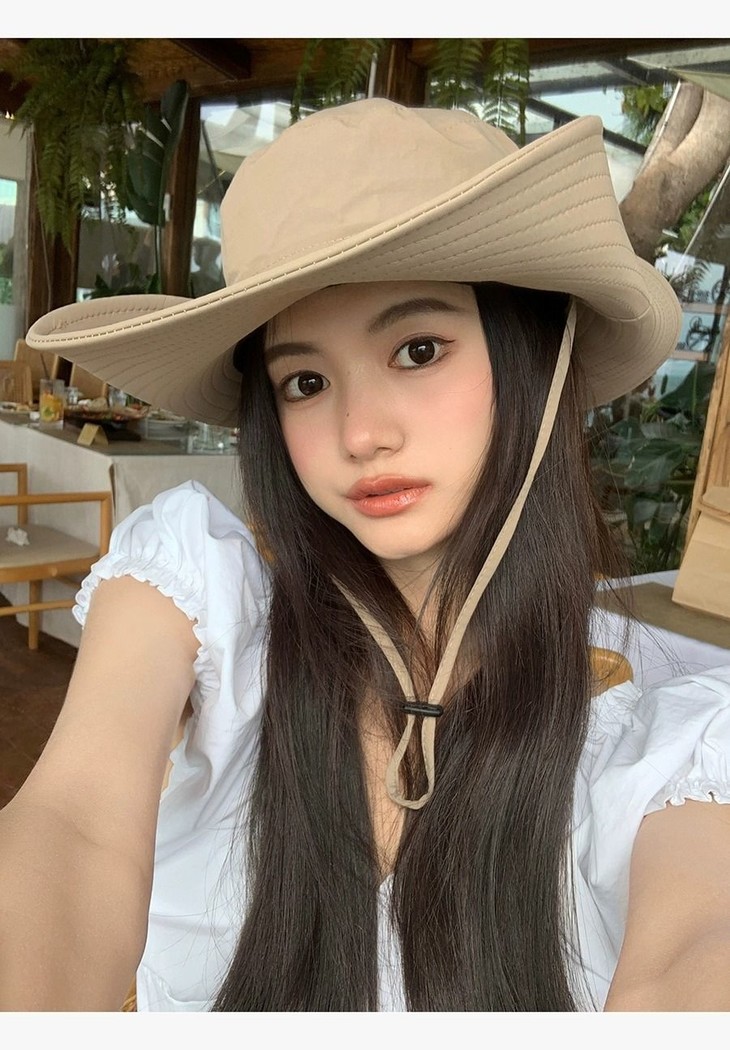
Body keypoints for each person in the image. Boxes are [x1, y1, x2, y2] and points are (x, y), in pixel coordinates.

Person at [5, 98, 730, 1013]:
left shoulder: (662, 753)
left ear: (535, 364)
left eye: (418, 350)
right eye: (305, 381)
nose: (359, 433)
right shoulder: (204, 607)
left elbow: (696, 950)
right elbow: (72, 826)